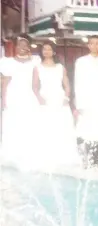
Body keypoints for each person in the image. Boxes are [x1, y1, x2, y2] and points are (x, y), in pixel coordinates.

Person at [32, 41, 80, 169]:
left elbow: (67, 84)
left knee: (62, 126)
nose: (46, 51)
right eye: (44, 49)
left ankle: (64, 156)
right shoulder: (37, 68)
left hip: (59, 98)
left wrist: (66, 97)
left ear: (53, 52)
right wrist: (39, 98)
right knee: (46, 126)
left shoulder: (60, 67)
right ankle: (47, 156)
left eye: (49, 49)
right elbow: (35, 86)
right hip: (45, 98)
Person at [0, 34, 41, 168]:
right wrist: (4, 99)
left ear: (29, 47)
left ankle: (28, 155)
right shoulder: (7, 62)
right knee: (12, 124)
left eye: (25, 45)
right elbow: (5, 82)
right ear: (15, 47)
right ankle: (11, 155)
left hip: (29, 96)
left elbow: (37, 82)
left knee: (29, 125)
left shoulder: (35, 60)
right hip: (13, 96)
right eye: (20, 45)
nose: (22, 47)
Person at [74, 35, 98, 168]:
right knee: (86, 129)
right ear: (88, 45)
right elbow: (78, 83)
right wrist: (79, 104)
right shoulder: (81, 62)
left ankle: (95, 158)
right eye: (92, 43)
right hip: (87, 100)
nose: (95, 46)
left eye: (97, 44)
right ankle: (86, 158)